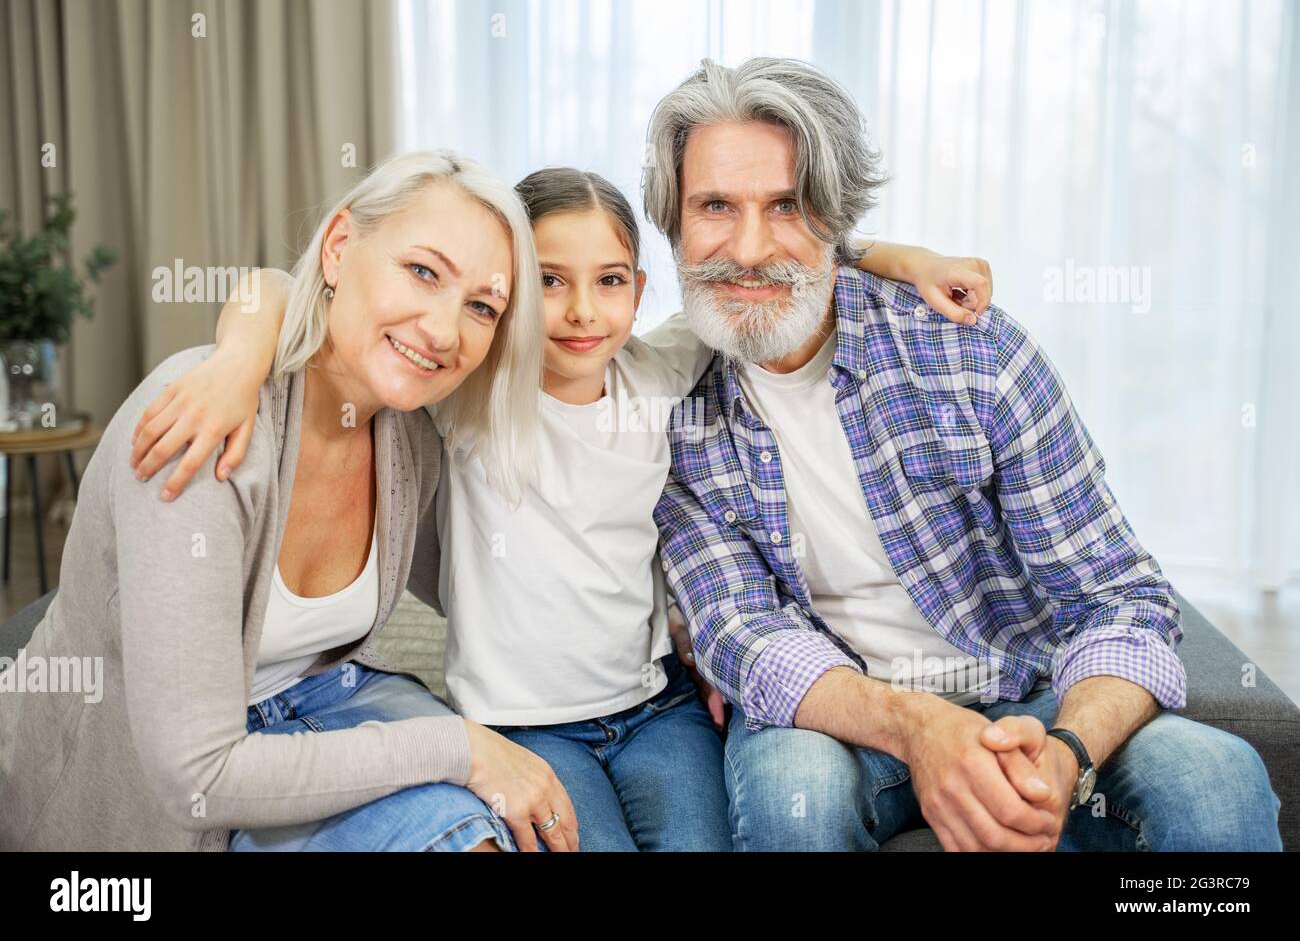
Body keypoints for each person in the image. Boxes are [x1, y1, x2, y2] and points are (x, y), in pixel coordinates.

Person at [126, 159, 989, 849]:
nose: (582, 311)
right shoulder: (465, 391)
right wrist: (239, 357)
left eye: (609, 281)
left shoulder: (657, 372)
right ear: (511, 298)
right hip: (523, 726)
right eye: (548, 283)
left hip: (656, 711)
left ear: (640, 292)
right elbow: (284, 286)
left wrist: (906, 260)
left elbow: (761, 273)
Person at [643, 57, 1283, 851]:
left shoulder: (969, 354)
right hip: (840, 716)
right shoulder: (663, 408)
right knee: (789, 794)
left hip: (1028, 697)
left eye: (787, 206)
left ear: (834, 224)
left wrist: (1064, 753)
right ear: (673, 223)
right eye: (714, 205)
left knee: (1215, 784)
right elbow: (747, 636)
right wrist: (920, 730)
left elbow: (1119, 597)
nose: (746, 247)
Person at [0, 150, 581, 853]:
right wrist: (461, 748)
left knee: (502, 837)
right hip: (152, 784)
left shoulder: (408, 442)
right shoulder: (205, 428)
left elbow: (492, 588)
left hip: (322, 700)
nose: (442, 331)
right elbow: (198, 779)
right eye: (423, 271)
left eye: (482, 307)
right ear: (339, 247)